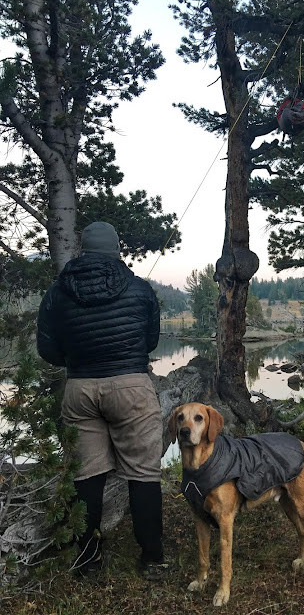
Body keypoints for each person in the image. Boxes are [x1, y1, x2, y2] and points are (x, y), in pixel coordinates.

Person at [37, 221, 166, 580]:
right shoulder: (140, 289)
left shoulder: (57, 291)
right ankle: (152, 559)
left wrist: (77, 363)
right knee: (143, 474)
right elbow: (151, 341)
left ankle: (87, 562)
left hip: (80, 389)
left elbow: (46, 348)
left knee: (87, 477)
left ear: (84, 248)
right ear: (116, 248)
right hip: (132, 386)